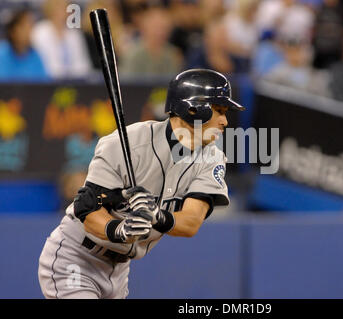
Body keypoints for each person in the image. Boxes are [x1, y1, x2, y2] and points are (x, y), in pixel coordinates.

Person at [37, 68, 245, 299]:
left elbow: (191, 222)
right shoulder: (128, 143)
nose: (225, 121)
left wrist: (158, 215)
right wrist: (118, 229)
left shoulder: (212, 158)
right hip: (77, 256)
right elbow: (86, 209)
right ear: (194, 108)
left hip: (119, 270)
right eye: (219, 110)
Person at [31, 0, 92, 79]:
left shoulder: (74, 34)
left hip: (74, 82)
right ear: (51, 10)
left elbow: (83, 65)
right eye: (59, 8)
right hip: (48, 82)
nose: (63, 12)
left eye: (65, 8)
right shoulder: (39, 32)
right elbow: (40, 64)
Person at [119, 6, 183, 78]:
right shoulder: (132, 53)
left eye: (164, 28)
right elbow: (126, 83)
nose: (160, 32)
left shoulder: (172, 54)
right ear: (144, 28)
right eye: (156, 27)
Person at [0, 8, 49, 81]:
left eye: (30, 26)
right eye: (24, 27)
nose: (28, 31)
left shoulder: (36, 57)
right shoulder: (2, 53)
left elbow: (44, 87)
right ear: (12, 30)